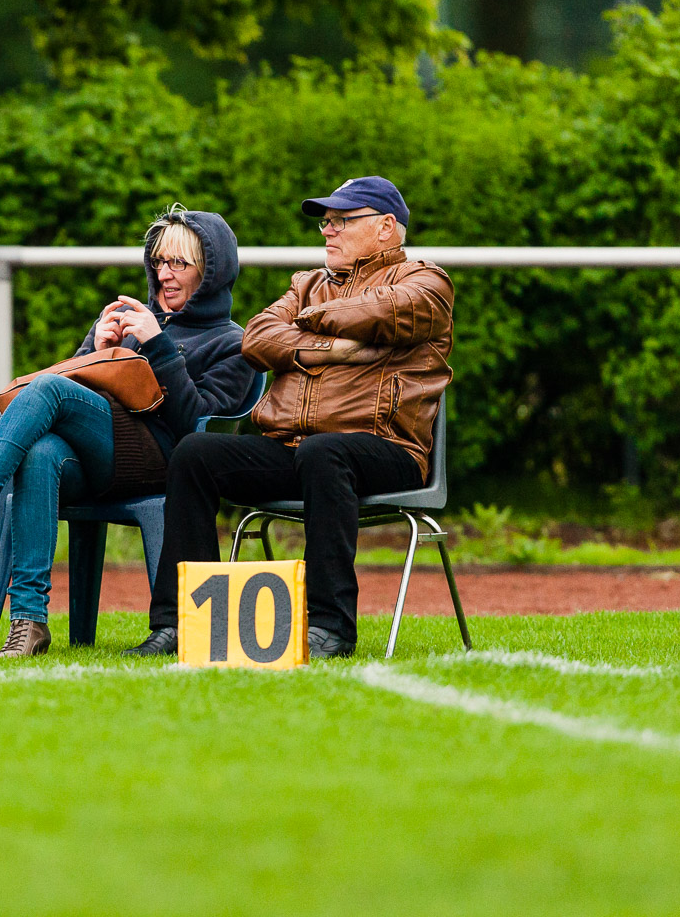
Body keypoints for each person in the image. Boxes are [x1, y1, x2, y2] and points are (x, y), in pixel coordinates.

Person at [0, 207, 256, 658]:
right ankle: (29, 623)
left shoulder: (233, 343)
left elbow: (196, 427)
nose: (164, 274)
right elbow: (73, 397)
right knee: (41, 452)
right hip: (101, 458)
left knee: (47, 387)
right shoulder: (130, 325)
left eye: (178, 264)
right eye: (158, 262)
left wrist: (159, 346)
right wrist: (97, 351)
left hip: (163, 464)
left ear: (211, 272)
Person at [125, 176, 453, 660]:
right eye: (326, 221)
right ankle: (181, 623)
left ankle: (328, 627)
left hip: (387, 448)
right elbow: (256, 339)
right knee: (196, 452)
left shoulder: (427, 281)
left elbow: (388, 309)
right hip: (295, 449)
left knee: (326, 451)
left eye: (342, 221)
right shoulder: (307, 283)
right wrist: (336, 349)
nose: (327, 231)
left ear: (387, 228)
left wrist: (306, 321)